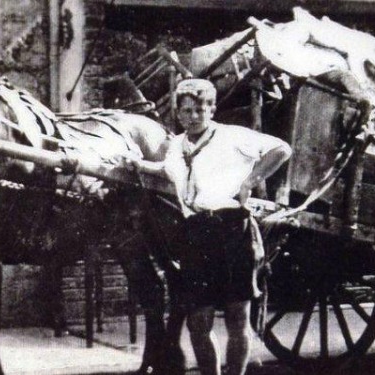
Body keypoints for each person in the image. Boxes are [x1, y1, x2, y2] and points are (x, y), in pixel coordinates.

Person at [124, 78, 291, 375]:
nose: (193, 116)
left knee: (237, 317)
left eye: (200, 109)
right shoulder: (176, 146)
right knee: (198, 321)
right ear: (178, 113)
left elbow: (281, 149)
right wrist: (139, 165)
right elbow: (166, 170)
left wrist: (250, 181)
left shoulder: (232, 137)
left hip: (233, 231)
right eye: (186, 111)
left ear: (212, 109)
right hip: (195, 236)